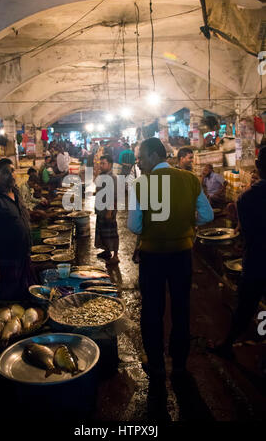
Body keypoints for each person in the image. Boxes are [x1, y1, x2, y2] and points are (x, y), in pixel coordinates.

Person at [127, 138, 213, 416]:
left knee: (152, 311)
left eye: (141, 156)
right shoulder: (189, 179)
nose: (139, 161)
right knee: (181, 308)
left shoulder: (142, 185)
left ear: (153, 155)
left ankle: (156, 365)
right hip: (182, 256)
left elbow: (134, 224)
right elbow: (207, 215)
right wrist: (187, 222)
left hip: (153, 258)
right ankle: (179, 364)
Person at [209, 147, 266, 358]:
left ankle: (228, 344)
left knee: (245, 307)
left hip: (257, 261)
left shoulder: (247, 198)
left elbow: (245, 233)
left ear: (258, 167)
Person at [0, 158, 33, 300]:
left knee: (26, 295)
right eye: (5, 172)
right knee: (10, 299)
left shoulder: (15, 193)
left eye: (12, 171)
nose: (11, 175)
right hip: (7, 262)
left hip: (24, 257)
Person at [95, 155, 119, 265]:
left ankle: (115, 256)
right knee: (103, 231)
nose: (101, 165)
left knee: (112, 233)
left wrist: (109, 211)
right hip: (101, 209)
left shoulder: (112, 178)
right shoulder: (102, 175)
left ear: (110, 165)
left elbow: (112, 196)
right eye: (101, 163)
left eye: (103, 163)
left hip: (108, 210)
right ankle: (107, 251)